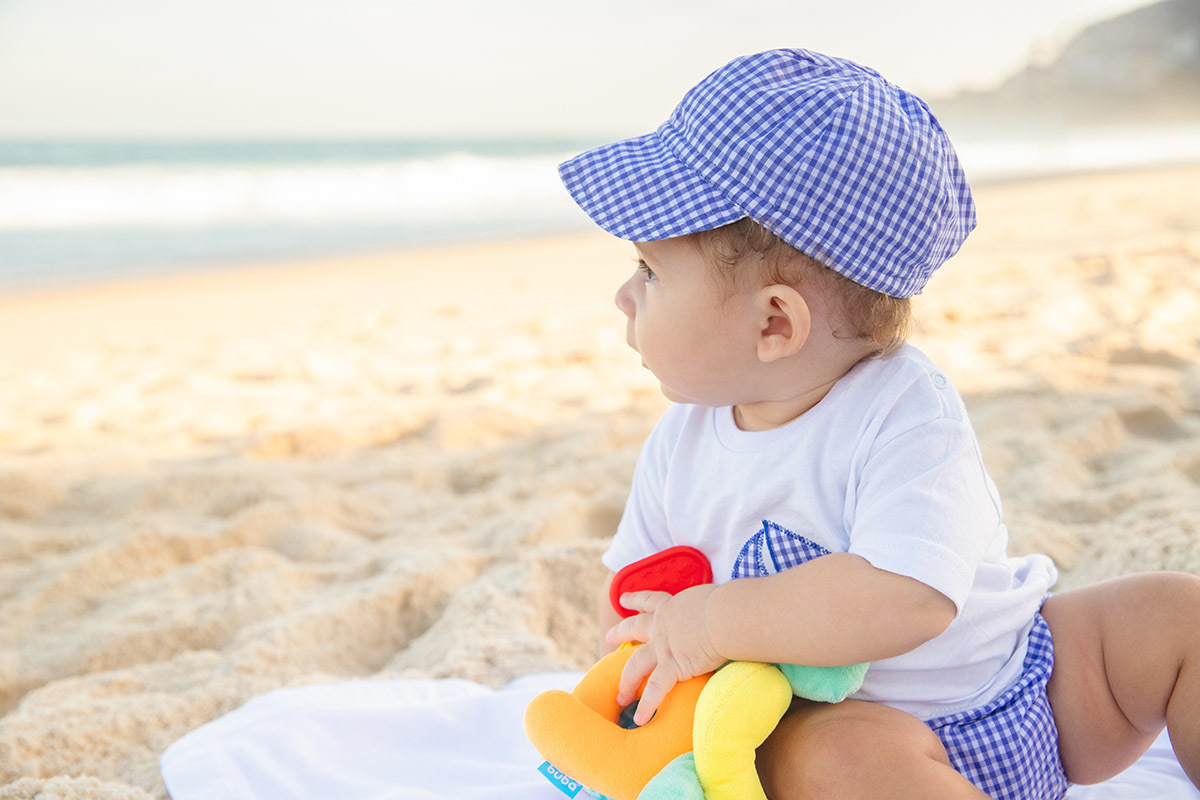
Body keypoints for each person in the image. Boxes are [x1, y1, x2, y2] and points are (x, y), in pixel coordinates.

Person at [558, 49, 1200, 800]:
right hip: (869, 732)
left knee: (1176, 613)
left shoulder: (906, 410)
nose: (623, 298)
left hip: (1034, 685)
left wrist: (713, 622)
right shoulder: (681, 444)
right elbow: (631, 600)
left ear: (775, 322)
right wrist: (653, 646)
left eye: (650, 272)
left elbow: (911, 595)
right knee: (829, 760)